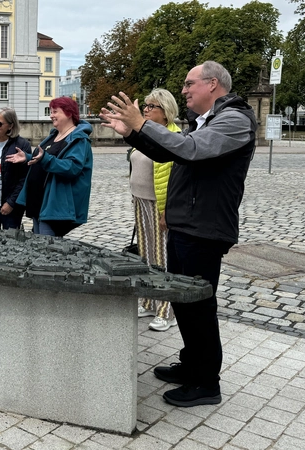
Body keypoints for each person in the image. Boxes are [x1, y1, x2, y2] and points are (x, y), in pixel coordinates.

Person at [100, 61, 257, 407]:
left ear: (213, 84)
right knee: (184, 302)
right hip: (187, 225)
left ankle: (206, 383)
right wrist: (130, 132)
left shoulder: (234, 119)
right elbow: (167, 151)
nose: (184, 90)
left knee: (199, 304)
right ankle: (191, 365)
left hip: (206, 229)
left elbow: (189, 150)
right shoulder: (206, 121)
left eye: (190, 84)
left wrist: (141, 123)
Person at [128, 88, 181, 332]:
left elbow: (174, 181)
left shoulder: (174, 137)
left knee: (161, 259)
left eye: (152, 107)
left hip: (157, 205)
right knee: (145, 256)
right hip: (140, 201)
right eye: (146, 106)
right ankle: (149, 301)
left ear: (165, 111)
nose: (146, 110)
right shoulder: (146, 135)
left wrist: (166, 212)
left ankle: (166, 310)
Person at [7, 96, 93, 237]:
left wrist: (44, 159)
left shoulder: (79, 139)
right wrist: (28, 157)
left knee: (48, 250)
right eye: (51, 112)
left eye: (55, 111)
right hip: (39, 201)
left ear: (69, 113)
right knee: (39, 245)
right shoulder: (54, 135)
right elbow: (45, 158)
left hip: (56, 205)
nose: (51, 115)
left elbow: (72, 167)